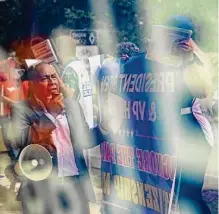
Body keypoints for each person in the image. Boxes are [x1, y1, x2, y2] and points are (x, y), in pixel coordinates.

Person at [8, 62, 105, 214]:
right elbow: (21, 140)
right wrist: (52, 112)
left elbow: (85, 139)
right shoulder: (21, 110)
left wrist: (105, 128)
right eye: (45, 78)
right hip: (41, 189)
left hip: (75, 186)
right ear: (32, 85)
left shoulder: (72, 106)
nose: (52, 81)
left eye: (54, 76)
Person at [166, 16, 213, 214]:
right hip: (171, 138)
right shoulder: (164, 61)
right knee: (176, 195)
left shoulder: (196, 61)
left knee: (188, 194)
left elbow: (202, 91)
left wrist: (189, 58)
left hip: (194, 137)